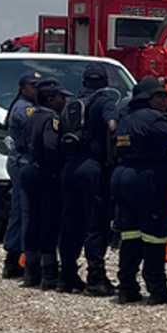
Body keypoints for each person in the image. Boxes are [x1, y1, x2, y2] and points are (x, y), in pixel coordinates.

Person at [112, 77, 167, 305]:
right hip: (150, 180)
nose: (166, 100)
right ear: (149, 98)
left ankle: (127, 287)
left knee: (130, 234)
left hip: (123, 176)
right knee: (155, 235)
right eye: (162, 96)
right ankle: (157, 289)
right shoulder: (155, 120)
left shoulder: (125, 120)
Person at [59, 64, 121, 295]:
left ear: (84, 82)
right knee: (96, 223)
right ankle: (96, 277)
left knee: (71, 222)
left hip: (70, 167)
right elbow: (112, 125)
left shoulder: (71, 104)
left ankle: (67, 275)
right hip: (93, 168)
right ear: (104, 82)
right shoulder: (105, 101)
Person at [22, 78, 70, 290]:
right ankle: (48, 272)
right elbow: (51, 147)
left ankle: (31, 271)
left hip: (29, 170)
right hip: (46, 174)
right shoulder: (52, 119)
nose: (64, 101)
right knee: (49, 222)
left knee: (32, 219)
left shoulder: (31, 115)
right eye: (61, 97)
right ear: (51, 99)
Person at [0, 73, 37, 280]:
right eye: (33, 86)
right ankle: (17, 260)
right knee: (24, 211)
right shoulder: (24, 108)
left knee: (20, 210)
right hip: (22, 162)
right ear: (23, 88)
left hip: (20, 162)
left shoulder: (24, 105)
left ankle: (14, 259)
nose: (36, 89)